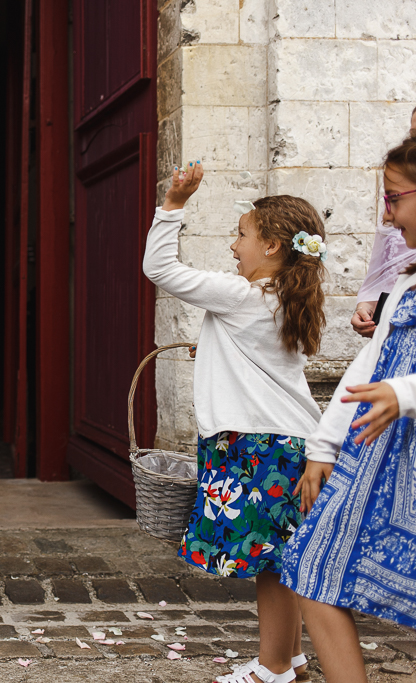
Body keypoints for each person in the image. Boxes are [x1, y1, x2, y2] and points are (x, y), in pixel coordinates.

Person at [143, 162, 327, 683]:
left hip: (257, 445)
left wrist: (173, 206)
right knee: (281, 558)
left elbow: (160, 269)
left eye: (241, 235)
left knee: (270, 564)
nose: (233, 246)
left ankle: (271, 669)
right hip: (290, 442)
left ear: (272, 246)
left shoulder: (244, 297)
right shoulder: (286, 300)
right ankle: (289, 658)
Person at [281, 137, 416, 683]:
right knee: (314, 567)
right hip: (381, 465)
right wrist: (322, 446)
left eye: (394, 199)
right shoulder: (406, 285)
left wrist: (404, 394)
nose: (387, 215)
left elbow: (390, 384)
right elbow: (366, 367)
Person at [350, 106, 416, 337]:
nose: (388, 216)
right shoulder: (399, 211)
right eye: (413, 135)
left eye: (395, 200)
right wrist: (367, 308)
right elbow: (379, 273)